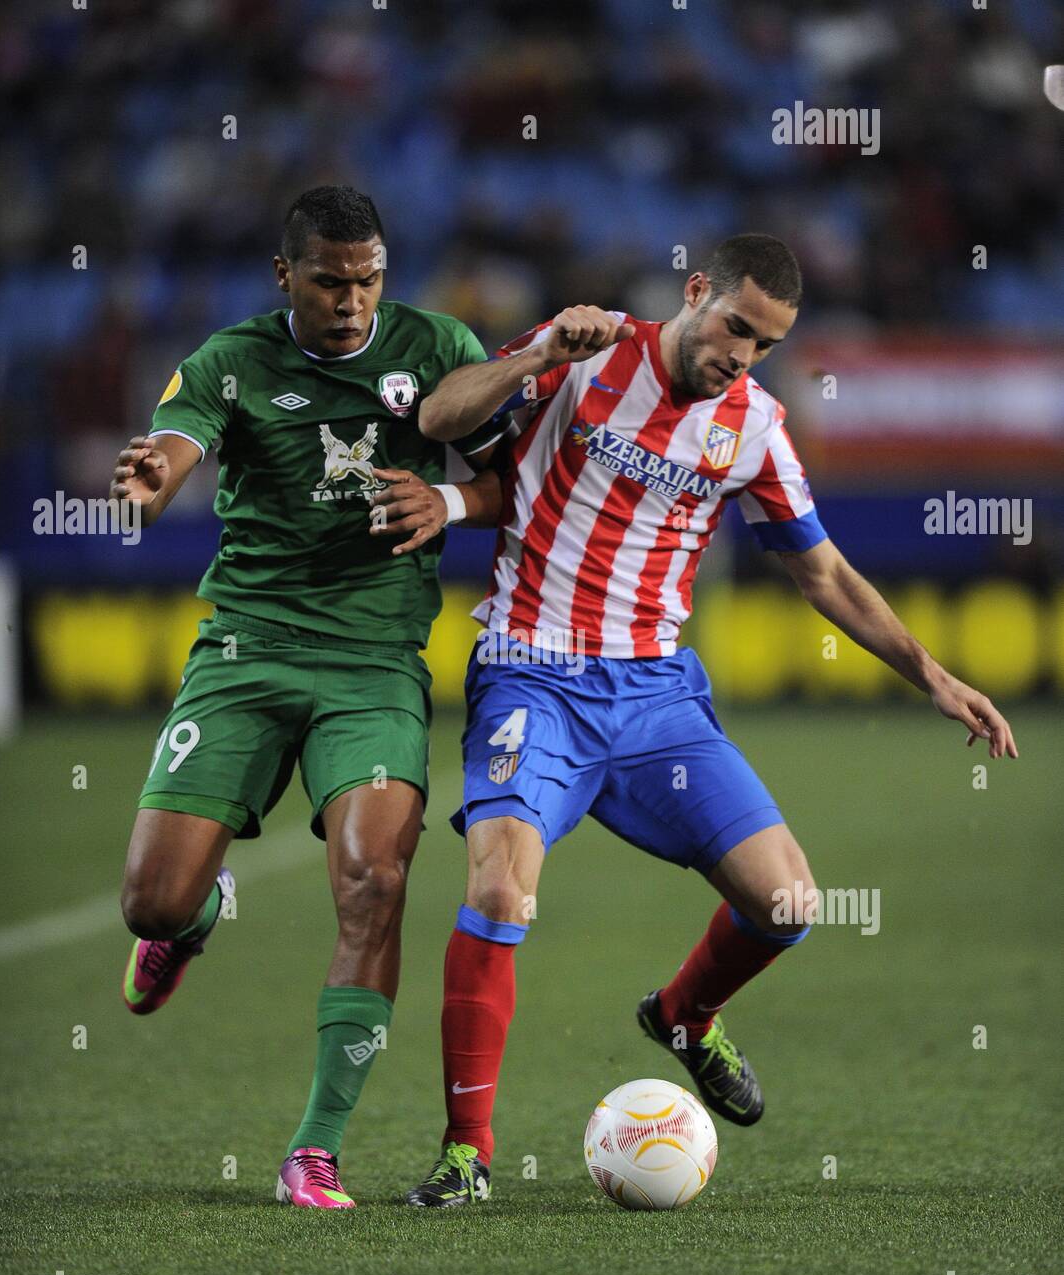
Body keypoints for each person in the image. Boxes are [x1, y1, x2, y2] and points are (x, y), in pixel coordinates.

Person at [401, 233, 1018, 1207]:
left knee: (787, 905)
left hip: (655, 701)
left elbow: (819, 571)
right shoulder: (591, 351)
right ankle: (467, 1151)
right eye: (734, 327)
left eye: (762, 343)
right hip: (531, 678)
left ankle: (684, 1015)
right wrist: (535, 356)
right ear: (696, 293)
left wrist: (931, 676)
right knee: (499, 893)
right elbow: (441, 414)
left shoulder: (755, 430)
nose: (739, 353)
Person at [110, 185, 506, 1208]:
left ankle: (314, 1148)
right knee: (150, 897)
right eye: (329, 282)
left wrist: (453, 499)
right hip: (246, 652)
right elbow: (170, 459)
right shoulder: (227, 361)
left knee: (374, 880)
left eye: (367, 280)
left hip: (374, 665)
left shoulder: (437, 345)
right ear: (284, 275)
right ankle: (191, 919)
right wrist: (148, 481)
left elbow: (523, 483)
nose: (350, 301)